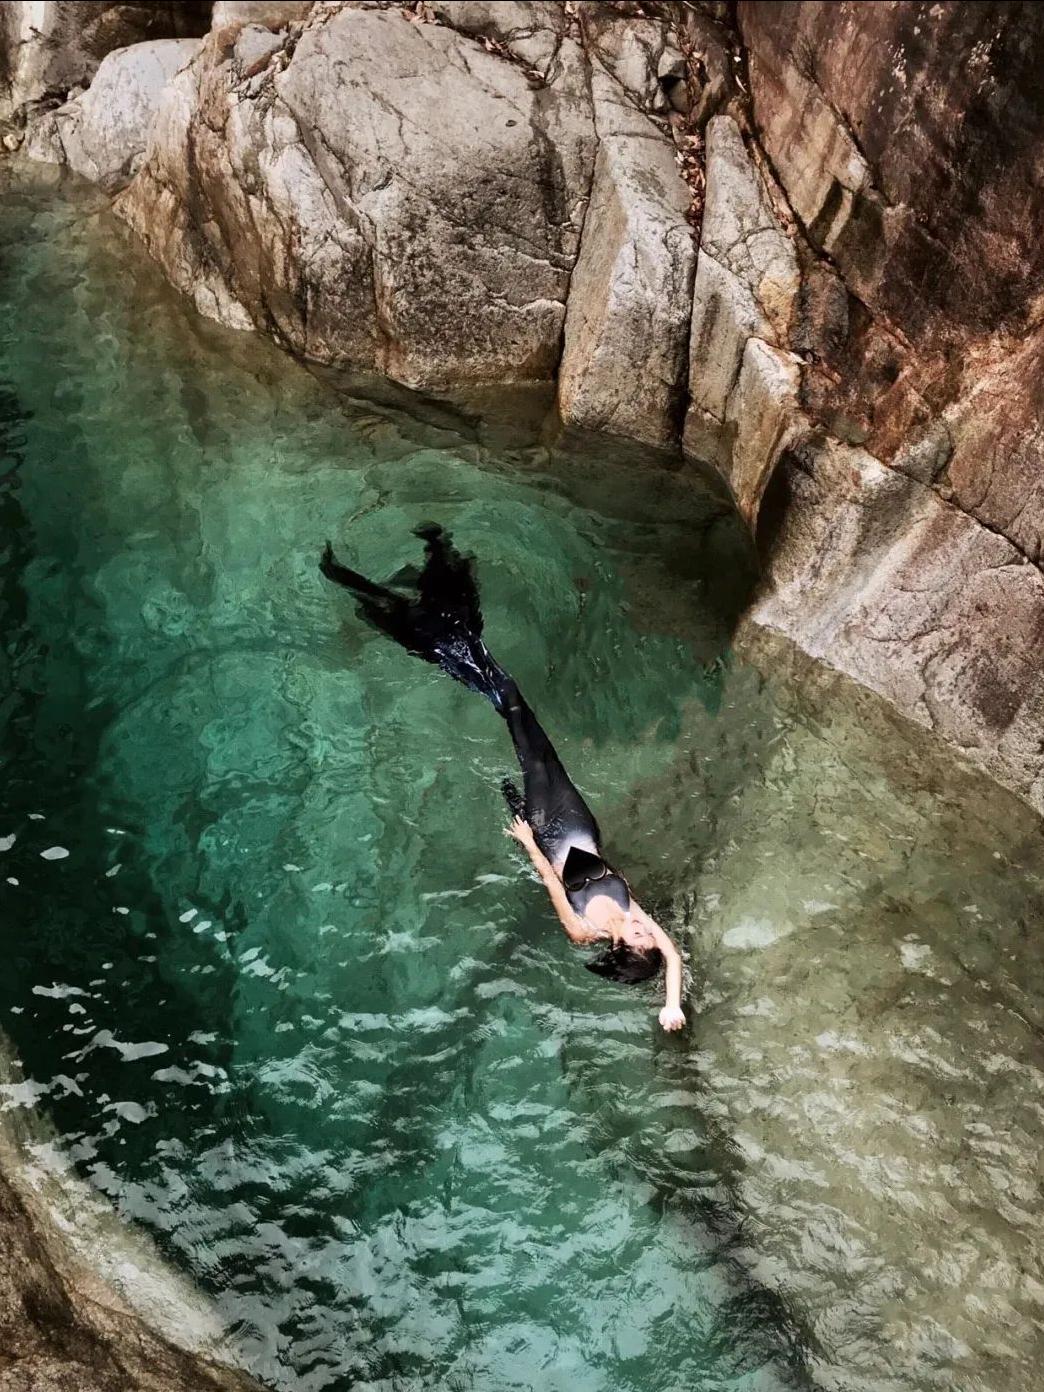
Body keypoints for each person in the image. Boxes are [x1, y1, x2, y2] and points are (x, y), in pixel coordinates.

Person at [320, 524, 686, 1032]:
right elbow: (674, 958)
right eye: (649, 938)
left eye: (641, 940)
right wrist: (672, 1004)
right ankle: (472, 663)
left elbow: (551, 881)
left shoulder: (584, 930)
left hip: (548, 832)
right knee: (537, 741)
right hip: (580, 824)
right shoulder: (634, 915)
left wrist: (527, 839)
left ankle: (467, 662)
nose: (647, 932)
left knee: (522, 735)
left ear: (623, 947)